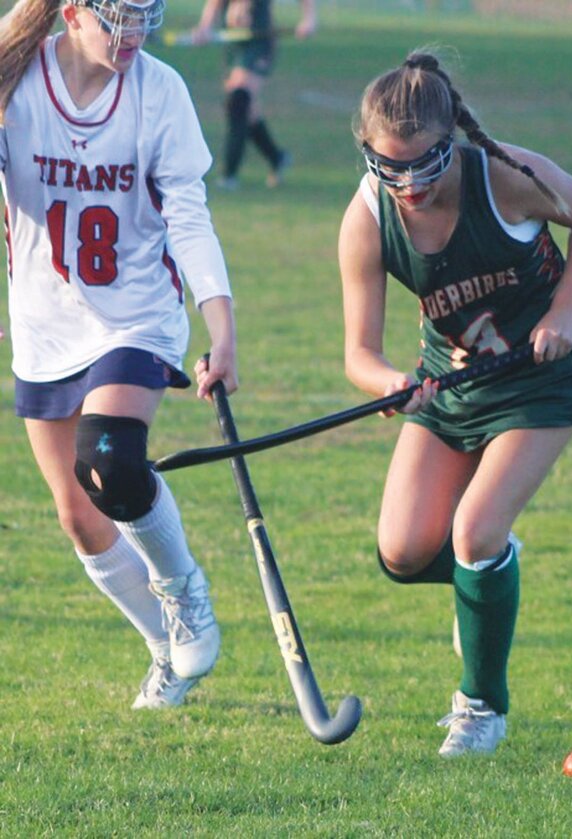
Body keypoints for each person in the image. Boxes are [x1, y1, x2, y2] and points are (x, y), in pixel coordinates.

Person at [338, 50, 572, 757]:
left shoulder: (502, 176)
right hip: (450, 385)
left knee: (474, 530)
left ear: (451, 137)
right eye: (388, 166)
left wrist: (564, 310)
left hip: (540, 378)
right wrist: (391, 383)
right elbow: (358, 354)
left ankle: (481, 706)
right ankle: (489, 568)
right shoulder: (367, 219)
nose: (408, 184)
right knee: (400, 552)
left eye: (423, 165)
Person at [0, 0, 238, 710]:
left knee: (107, 458)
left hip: (136, 313)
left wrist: (219, 325)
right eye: (118, 20)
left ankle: (184, 591)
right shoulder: (15, 78)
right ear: (71, 13)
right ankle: (164, 649)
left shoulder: (158, 90)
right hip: (46, 320)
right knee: (79, 516)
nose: (133, 36)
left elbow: (189, 216)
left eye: (147, 18)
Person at [192, 0, 317, 190]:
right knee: (246, 111)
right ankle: (276, 157)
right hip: (233, 41)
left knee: (238, 100)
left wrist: (308, 19)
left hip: (259, 40)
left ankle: (229, 174)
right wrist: (204, 27)